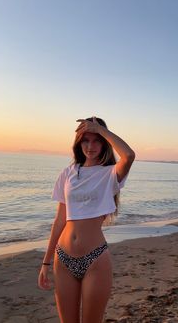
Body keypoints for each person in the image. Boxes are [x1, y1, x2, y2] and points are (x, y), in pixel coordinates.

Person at [38, 116, 135, 323]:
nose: (90, 146)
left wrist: (101, 130)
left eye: (96, 140)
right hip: (62, 259)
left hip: (95, 259)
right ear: (78, 143)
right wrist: (45, 262)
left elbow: (128, 155)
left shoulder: (110, 174)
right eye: (85, 140)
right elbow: (59, 221)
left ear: (104, 143)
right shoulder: (68, 173)